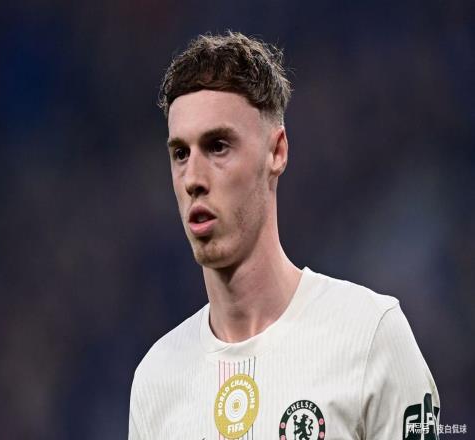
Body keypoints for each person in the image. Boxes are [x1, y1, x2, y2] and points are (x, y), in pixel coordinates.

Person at [128, 31, 440, 440]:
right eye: (180, 154)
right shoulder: (156, 380)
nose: (193, 179)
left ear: (276, 152)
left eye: (218, 146)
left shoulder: (370, 336)